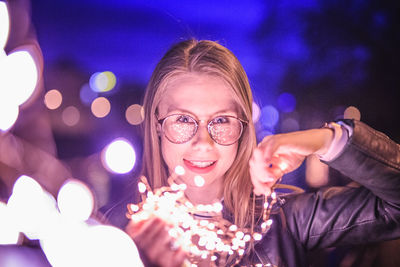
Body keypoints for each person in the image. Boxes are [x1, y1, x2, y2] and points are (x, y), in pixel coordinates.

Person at [114, 39, 400, 267]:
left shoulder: (286, 222)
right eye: (184, 119)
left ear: (244, 127)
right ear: (157, 124)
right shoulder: (113, 236)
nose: (203, 143)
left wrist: (326, 140)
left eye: (222, 120)